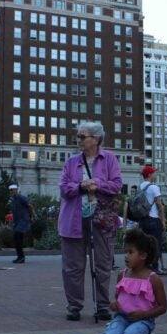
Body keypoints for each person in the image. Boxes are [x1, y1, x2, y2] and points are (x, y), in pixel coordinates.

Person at [59, 121, 122, 321]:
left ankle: (103, 306)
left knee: (103, 264)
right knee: (73, 267)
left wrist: (97, 183)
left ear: (95, 139)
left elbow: (117, 186)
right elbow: (63, 188)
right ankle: (74, 306)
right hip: (73, 221)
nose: (78, 140)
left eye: (82, 136)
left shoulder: (109, 159)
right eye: (78, 136)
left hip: (101, 220)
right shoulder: (71, 162)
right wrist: (80, 186)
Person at [93, 229, 167, 334]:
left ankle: (141, 333)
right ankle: (118, 331)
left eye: (130, 252)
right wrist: (114, 304)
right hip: (122, 317)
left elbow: (163, 307)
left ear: (143, 255)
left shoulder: (153, 279)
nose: (126, 256)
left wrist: (144, 314)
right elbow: (118, 298)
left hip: (144, 320)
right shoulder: (122, 275)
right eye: (125, 252)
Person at [138, 166, 167, 275]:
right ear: (149, 175)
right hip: (153, 219)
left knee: (145, 244)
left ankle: (145, 266)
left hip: (143, 220)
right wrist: (163, 220)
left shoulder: (140, 186)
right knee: (156, 244)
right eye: (153, 173)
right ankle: (155, 268)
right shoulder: (154, 187)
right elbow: (159, 205)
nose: (155, 174)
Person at [8, 183, 35, 263]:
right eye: (10, 190)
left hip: (24, 220)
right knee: (17, 239)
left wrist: (31, 216)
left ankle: (21, 257)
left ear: (16, 190)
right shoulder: (13, 199)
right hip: (17, 222)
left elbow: (30, 206)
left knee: (17, 236)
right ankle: (20, 257)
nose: (11, 191)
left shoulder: (21, 197)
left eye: (13, 190)